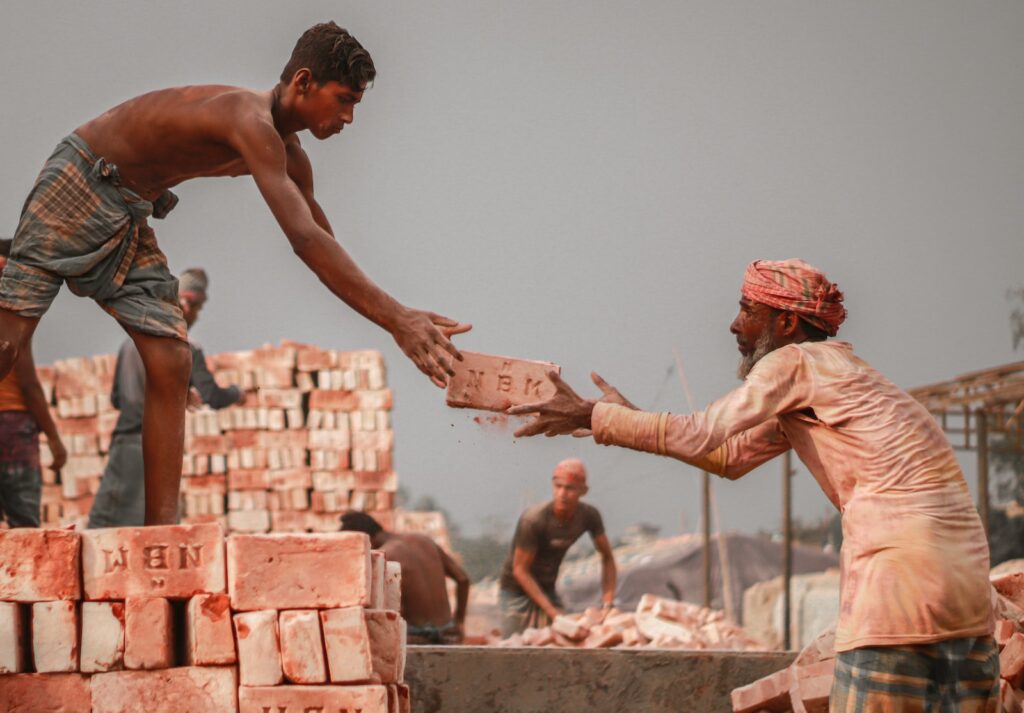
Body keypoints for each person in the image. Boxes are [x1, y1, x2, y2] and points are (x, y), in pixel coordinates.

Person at [0, 22, 469, 525]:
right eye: (344, 99)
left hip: (130, 207)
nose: (349, 117)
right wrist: (397, 320)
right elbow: (304, 241)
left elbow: (323, 241)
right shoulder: (250, 121)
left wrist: (398, 313)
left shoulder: (291, 156)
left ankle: (163, 533)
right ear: (304, 82)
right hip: (85, 176)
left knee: (171, 358)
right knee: (8, 341)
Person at [511, 259, 998, 711]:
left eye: (747, 311)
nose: (733, 325)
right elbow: (729, 456)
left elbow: (703, 432)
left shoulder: (796, 363)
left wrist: (592, 414)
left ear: (786, 324)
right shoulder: (846, 378)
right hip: (968, 588)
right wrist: (620, 418)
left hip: (896, 586)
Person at [88, 268, 243, 527]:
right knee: (156, 532)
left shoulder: (131, 342)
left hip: (124, 444)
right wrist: (239, 393)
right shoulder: (183, 346)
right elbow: (213, 396)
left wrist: (175, 393)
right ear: (186, 303)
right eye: (198, 307)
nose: (196, 316)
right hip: (157, 449)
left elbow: (117, 399)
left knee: (108, 526)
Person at [497, 458, 617, 637]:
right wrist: (552, 612)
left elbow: (607, 557)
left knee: (567, 639)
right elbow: (520, 570)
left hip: (546, 587)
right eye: (558, 486)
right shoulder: (534, 519)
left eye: (570, 488)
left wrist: (608, 603)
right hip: (516, 591)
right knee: (513, 646)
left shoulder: (589, 516)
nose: (562, 494)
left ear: (583, 491)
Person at [0, 239, 66, 527]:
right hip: (12, 430)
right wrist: (54, 438)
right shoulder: (13, 319)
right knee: (24, 525)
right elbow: (29, 386)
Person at [340, 511, 469, 645]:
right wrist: (459, 621)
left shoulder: (384, 556)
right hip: (448, 632)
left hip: (416, 637)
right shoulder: (424, 540)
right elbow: (463, 579)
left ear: (365, 539)